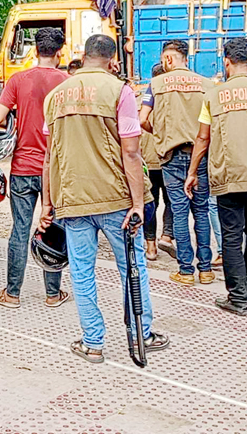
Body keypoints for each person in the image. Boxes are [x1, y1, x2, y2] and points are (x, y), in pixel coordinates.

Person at [41, 34, 168, 363]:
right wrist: (139, 204)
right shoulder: (120, 91)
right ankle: (143, 332)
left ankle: (92, 342)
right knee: (133, 266)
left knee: (82, 272)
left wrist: (48, 203)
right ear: (112, 60)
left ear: (84, 57)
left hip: (72, 199)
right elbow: (131, 151)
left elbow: (48, 156)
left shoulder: (55, 96)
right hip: (115, 199)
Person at [184, 38, 247, 316]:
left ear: (226, 62)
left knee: (230, 236)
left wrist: (192, 173)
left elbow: (202, 139)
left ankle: (237, 295)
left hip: (228, 177)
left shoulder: (213, 96)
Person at [0, 27, 71, 309]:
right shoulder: (68, 83)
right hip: (56, 171)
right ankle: (52, 293)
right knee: (54, 227)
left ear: (35, 51)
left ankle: (12, 294)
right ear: (59, 53)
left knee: (20, 231)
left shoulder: (18, 80)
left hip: (23, 167)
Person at [139, 40, 215, 286]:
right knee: (201, 211)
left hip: (171, 157)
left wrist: (160, 133)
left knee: (179, 212)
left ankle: (185, 270)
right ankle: (205, 269)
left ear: (167, 59)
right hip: (200, 155)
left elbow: (142, 120)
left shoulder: (156, 84)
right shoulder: (206, 84)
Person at [140, 63, 173, 261]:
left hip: (145, 163)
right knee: (172, 201)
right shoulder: (172, 101)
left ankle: (150, 247)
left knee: (149, 203)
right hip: (168, 158)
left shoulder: (138, 100)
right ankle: (167, 235)